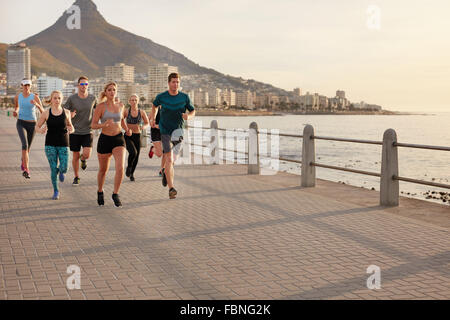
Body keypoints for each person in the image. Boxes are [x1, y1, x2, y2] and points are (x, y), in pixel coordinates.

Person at [150, 73, 195, 199]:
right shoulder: (162, 96)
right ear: (169, 83)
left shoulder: (184, 97)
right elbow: (154, 106)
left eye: (177, 82)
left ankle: (165, 172)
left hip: (179, 132)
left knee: (172, 161)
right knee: (169, 159)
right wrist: (152, 118)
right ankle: (171, 188)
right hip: (165, 132)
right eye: (173, 82)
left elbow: (192, 110)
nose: (175, 84)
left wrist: (189, 116)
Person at [91, 82, 132, 207]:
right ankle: (100, 191)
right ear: (105, 92)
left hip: (118, 138)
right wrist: (104, 125)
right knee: (103, 170)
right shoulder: (100, 107)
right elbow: (93, 125)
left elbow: (122, 119)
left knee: (120, 167)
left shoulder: (121, 105)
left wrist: (127, 129)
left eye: (114, 89)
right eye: (109, 90)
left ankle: (115, 194)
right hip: (105, 140)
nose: (112, 92)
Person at [36, 91, 74, 200]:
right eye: (55, 98)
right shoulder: (46, 113)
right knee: (53, 168)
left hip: (64, 144)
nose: (57, 100)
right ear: (51, 100)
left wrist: (71, 130)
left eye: (59, 98)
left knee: (65, 167)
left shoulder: (66, 112)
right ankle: (56, 191)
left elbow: (71, 127)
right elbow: (37, 127)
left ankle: (61, 171)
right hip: (50, 145)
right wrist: (41, 130)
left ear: (61, 100)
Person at [64, 76, 97, 185]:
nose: (84, 86)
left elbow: (98, 112)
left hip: (88, 130)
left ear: (88, 85)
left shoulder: (93, 98)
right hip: (75, 131)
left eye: (86, 84)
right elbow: (64, 111)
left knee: (87, 154)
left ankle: (83, 160)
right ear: (78, 85)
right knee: (75, 155)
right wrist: (70, 116)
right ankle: (76, 176)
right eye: (82, 84)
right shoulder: (72, 98)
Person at [13, 78, 44, 179]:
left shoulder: (34, 97)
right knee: (24, 145)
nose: (26, 87)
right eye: (25, 85)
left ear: (30, 86)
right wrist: (16, 112)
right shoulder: (18, 97)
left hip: (32, 125)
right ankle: (27, 170)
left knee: (28, 149)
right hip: (21, 123)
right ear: (22, 85)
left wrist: (37, 104)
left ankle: (23, 161)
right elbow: (17, 107)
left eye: (28, 85)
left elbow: (42, 111)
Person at [124, 94, 149, 181]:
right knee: (133, 152)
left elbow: (147, 123)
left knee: (137, 156)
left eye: (135, 100)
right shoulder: (126, 111)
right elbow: (120, 121)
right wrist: (126, 129)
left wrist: (143, 127)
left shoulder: (141, 112)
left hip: (137, 136)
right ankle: (129, 167)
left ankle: (131, 173)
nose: (134, 101)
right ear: (129, 102)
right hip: (128, 136)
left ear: (137, 101)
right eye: (132, 100)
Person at [148, 104, 164, 176]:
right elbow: (149, 121)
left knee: (166, 153)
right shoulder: (154, 110)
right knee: (160, 154)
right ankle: (153, 149)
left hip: (164, 132)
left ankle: (162, 170)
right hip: (155, 132)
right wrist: (154, 124)